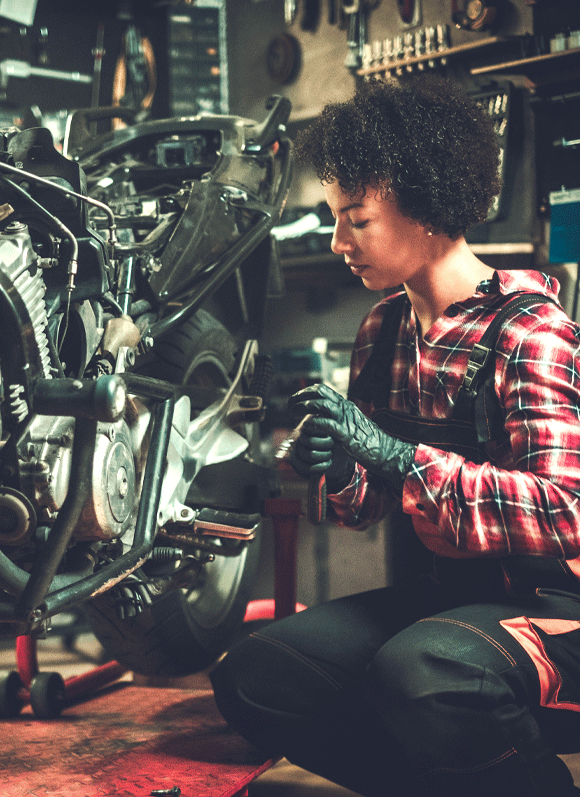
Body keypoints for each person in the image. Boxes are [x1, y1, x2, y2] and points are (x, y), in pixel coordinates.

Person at [209, 75, 580, 797]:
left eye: (356, 219)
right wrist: (334, 467)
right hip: (443, 603)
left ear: (428, 207)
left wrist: (400, 456)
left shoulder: (532, 333)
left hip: (556, 613)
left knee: (423, 671)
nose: (337, 240)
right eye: (333, 218)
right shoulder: (382, 329)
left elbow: (565, 509)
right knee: (256, 673)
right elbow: (364, 505)